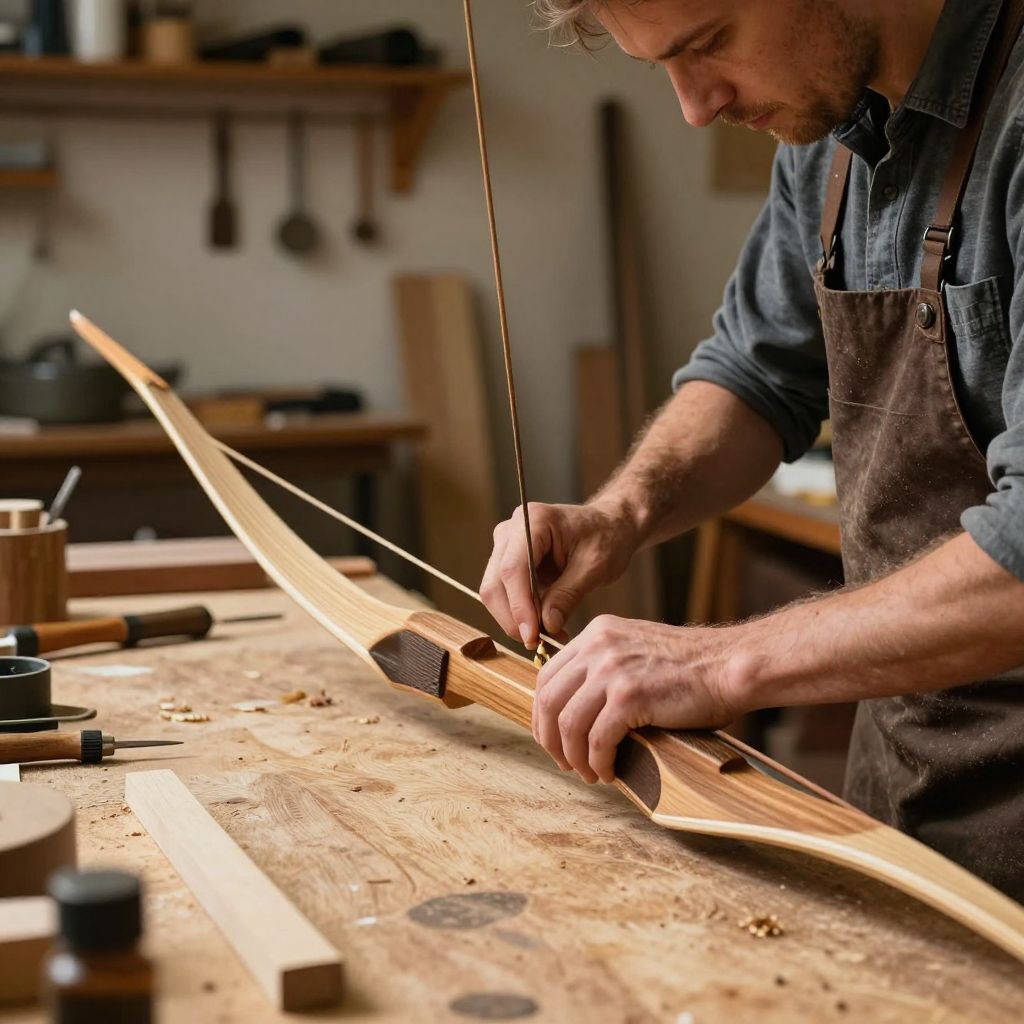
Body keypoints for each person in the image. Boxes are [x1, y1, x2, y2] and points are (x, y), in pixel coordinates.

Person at [480, 0, 1024, 900]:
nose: (695, 107)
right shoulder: (832, 126)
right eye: (663, 66)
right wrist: (622, 512)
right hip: (906, 801)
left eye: (707, 45)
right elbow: (756, 374)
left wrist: (717, 664)